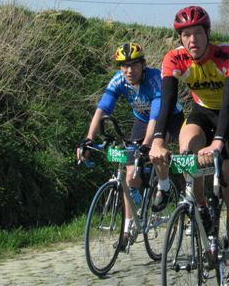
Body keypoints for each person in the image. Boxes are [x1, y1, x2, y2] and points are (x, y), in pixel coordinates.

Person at [149, 6, 229, 286]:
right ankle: (202, 205)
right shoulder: (174, 58)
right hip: (202, 110)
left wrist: (218, 142)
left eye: (197, 33)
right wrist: (158, 139)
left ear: (207, 34)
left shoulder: (227, 55)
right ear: (180, 39)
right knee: (186, 151)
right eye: (185, 35)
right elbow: (168, 101)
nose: (192, 40)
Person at [76, 42, 184, 249]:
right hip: (141, 119)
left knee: (154, 152)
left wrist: (146, 145)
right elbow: (103, 109)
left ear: (143, 65)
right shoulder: (119, 80)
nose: (128, 70)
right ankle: (127, 229)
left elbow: (156, 115)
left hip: (167, 117)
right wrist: (88, 138)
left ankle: (163, 185)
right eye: (123, 66)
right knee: (129, 175)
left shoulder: (154, 80)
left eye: (133, 65)